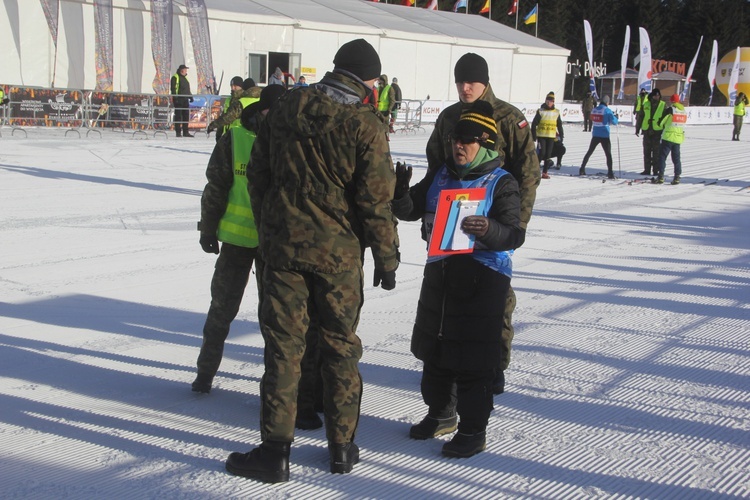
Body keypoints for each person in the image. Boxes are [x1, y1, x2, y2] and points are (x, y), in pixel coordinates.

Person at [226, 38, 399, 483]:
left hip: (283, 250)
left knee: (285, 349)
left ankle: (275, 452)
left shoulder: (286, 106)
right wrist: (386, 257)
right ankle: (341, 448)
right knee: (340, 347)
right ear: (366, 79)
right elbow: (376, 201)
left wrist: (272, 228)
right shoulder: (366, 125)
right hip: (339, 258)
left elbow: (259, 174)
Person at [392, 100, 525, 458]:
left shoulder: (501, 182)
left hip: (483, 278)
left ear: (486, 144)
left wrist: (489, 228)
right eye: (455, 139)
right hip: (441, 272)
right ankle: (441, 413)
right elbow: (409, 211)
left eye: (467, 141)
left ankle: (472, 430)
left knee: (473, 358)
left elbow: (514, 234)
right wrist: (400, 193)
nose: (458, 146)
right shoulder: (441, 174)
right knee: (435, 349)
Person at [425, 52, 539, 396]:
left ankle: (494, 364)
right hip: (451, 222)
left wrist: (513, 225)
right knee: (451, 297)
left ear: (485, 82)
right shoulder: (448, 118)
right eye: (460, 81)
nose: (465, 87)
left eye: (471, 81)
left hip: (492, 223)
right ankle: (454, 364)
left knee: (495, 297)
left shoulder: (508, 117)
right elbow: (435, 167)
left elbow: (528, 173)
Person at [192, 85, 288, 395]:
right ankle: (204, 375)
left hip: (274, 244)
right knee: (221, 311)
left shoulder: (290, 141)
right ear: (261, 110)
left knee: (274, 318)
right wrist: (208, 229)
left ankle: (274, 386)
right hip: (238, 242)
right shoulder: (234, 138)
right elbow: (215, 188)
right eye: (271, 112)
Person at [578, 95, 619, 179]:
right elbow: (614, 122)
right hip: (604, 135)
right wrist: (616, 117)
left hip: (596, 134)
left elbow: (592, 118)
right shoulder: (607, 110)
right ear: (607, 102)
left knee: (589, 152)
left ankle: (582, 168)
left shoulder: (595, 109)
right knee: (608, 154)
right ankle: (610, 172)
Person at [531, 91, 564, 180]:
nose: (549, 102)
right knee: (542, 153)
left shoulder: (556, 112)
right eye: (548, 100)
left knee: (548, 155)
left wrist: (561, 135)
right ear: (545, 101)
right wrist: (533, 136)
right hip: (541, 136)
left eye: (551, 100)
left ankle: (545, 172)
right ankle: (535, 171)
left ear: (553, 102)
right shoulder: (541, 111)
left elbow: (559, 125)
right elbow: (534, 124)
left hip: (551, 136)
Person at [655, 94, 687, 185]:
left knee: (662, 157)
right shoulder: (683, 111)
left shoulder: (671, 109)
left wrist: (660, 124)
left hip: (668, 137)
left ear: (671, 101)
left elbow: (661, 122)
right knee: (676, 159)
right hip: (678, 138)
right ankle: (677, 177)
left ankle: (660, 177)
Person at [637, 88, 665, 176]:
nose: (657, 97)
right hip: (647, 130)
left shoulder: (663, 105)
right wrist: (637, 128)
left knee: (656, 152)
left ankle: (655, 170)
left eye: (658, 95)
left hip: (657, 131)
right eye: (655, 95)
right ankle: (647, 170)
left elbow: (667, 118)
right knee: (647, 151)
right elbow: (640, 117)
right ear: (652, 96)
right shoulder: (646, 104)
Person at [170, 64, 194, 138]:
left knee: (186, 116)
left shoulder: (185, 78)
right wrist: (175, 98)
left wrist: (190, 97)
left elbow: (187, 89)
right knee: (178, 116)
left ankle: (185, 132)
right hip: (179, 99)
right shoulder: (175, 77)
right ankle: (178, 132)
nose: (186, 71)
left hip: (185, 99)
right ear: (181, 70)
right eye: (185, 70)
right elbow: (173, 89)